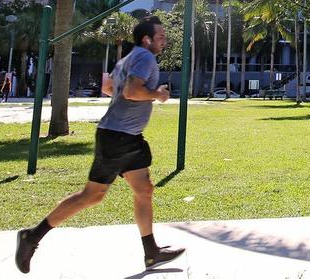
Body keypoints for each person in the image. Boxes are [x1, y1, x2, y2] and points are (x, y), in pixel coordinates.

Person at [14, 16, 183, 273]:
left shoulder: (128, 58)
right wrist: (157, 95)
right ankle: (31, 236)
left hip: (128, 137)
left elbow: (108, 88)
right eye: (160, 36)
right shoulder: (145, 58)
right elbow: (130, 92)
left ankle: (151, 252)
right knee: (92, 196)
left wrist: (130, 94)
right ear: (146, 39)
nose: (164, 40)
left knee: (144, 190)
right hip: (117, 137)